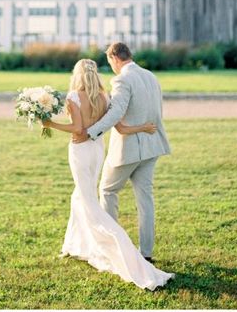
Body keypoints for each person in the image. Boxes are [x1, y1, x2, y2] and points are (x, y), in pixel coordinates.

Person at [42, 57, 174, 290]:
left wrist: (50, 124)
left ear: (77, 74)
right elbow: (120, 127)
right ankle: (73, 245)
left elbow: (77, 130)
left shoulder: (73, 96)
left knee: (89, 200)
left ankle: (120, 248)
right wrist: (143, 127)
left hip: (81, 151)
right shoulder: (105, 97)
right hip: (97, 150)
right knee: (80, 196)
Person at [73, 42, 172, 264]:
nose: (112, 67)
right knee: (145, 199)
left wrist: (90, 132)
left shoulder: (122, 80)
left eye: (110, 62)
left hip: (129, 149)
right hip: (152, 145)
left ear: (114, 58)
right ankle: (145, 253)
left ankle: (113, 250)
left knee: (107, 190)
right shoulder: (150, 76)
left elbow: (115, 112)